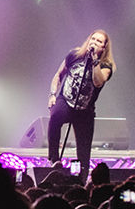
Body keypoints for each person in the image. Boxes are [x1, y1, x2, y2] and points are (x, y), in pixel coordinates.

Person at [46, 28, 114, 182]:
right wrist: (52, 94)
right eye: (93, 39)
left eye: (99, 41)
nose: (94, 42)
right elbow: (58, 75)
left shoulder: (105, 66)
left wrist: (94, 61)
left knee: (84, 152)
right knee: (55, 116)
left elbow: (98, 82)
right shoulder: (74, 55)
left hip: (85, 110)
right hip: (66, 100)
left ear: (104, 48)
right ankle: (54, 159)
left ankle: (81, 181)